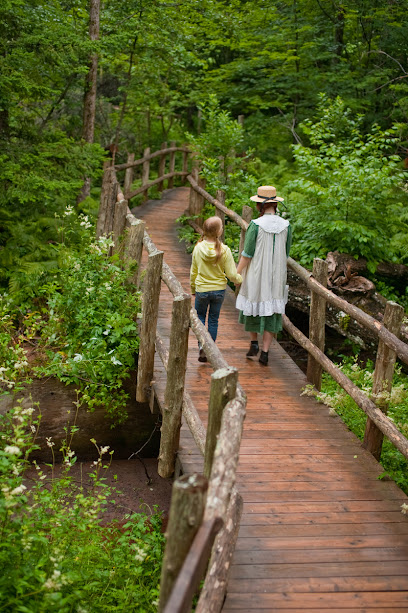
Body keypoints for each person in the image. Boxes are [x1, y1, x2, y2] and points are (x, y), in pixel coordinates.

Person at [236, 185, 292, 366]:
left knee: (253, 303)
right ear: (275, 204)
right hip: (277, 274)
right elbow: (287, 251)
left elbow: (247, 253)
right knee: (272, 310)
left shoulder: (255, 225)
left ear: (260, 206)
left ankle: (254, 343)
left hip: (257, 272)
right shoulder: (286, 225)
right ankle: (265, 353)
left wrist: (235, 273)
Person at [191, 216, 243, 362]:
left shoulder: (198, 248)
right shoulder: (224, 250)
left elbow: (193, 272)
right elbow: (232, 274)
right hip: (219, 291)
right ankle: (209, 350)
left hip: (202, 289)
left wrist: (193, 287)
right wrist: (239, 280)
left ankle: (202, 347)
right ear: (219, 232)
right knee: (213, 320)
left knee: (200, 318)